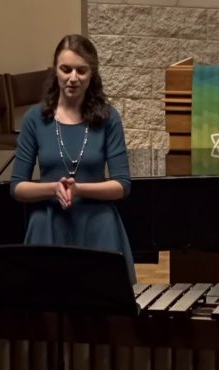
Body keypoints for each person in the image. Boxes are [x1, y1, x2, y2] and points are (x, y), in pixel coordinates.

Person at [10, 34, 136, 284]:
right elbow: (17, 187)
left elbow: (122, 185)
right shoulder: (35, 119)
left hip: (99, 225)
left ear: (92, 74)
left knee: (101, 312)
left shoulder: (109, 118)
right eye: (66, 69)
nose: (73, 78)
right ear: (55, 70)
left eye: (81, 70)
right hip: (48, 223)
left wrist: (77, 190)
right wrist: (53, 188)